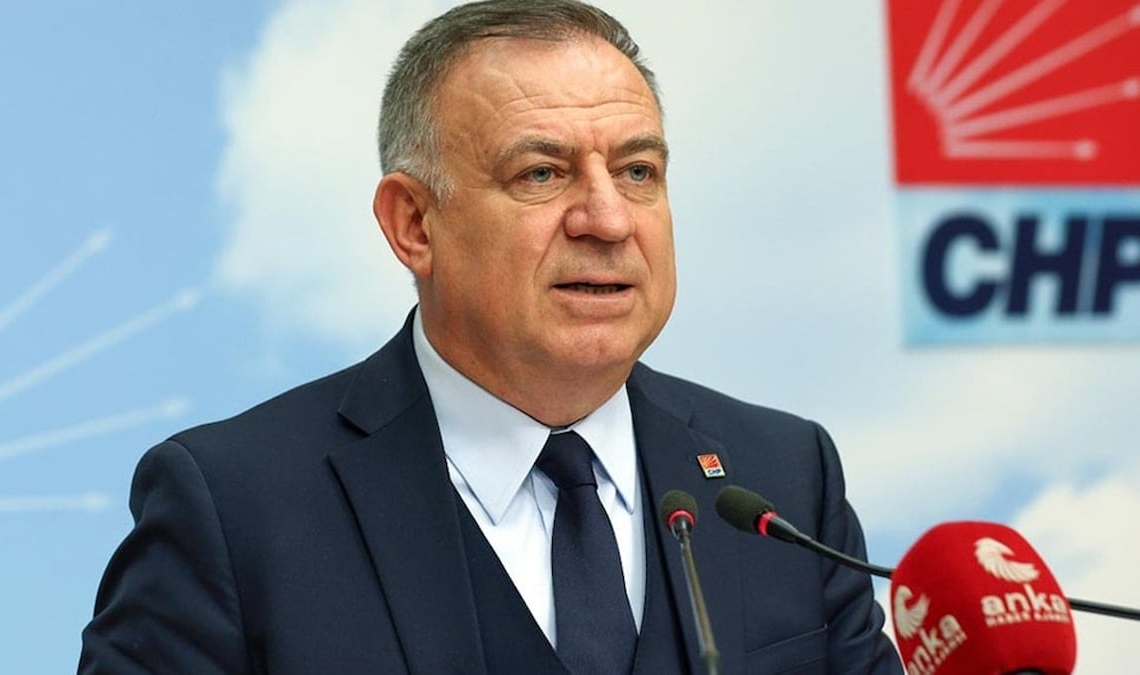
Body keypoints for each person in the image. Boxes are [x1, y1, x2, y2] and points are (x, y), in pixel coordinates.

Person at [80, 1, 901, 673]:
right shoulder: (233, 509)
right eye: (541, 173)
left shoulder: (783, 479)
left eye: (637, 172)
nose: (608, 219)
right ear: (413, 224)